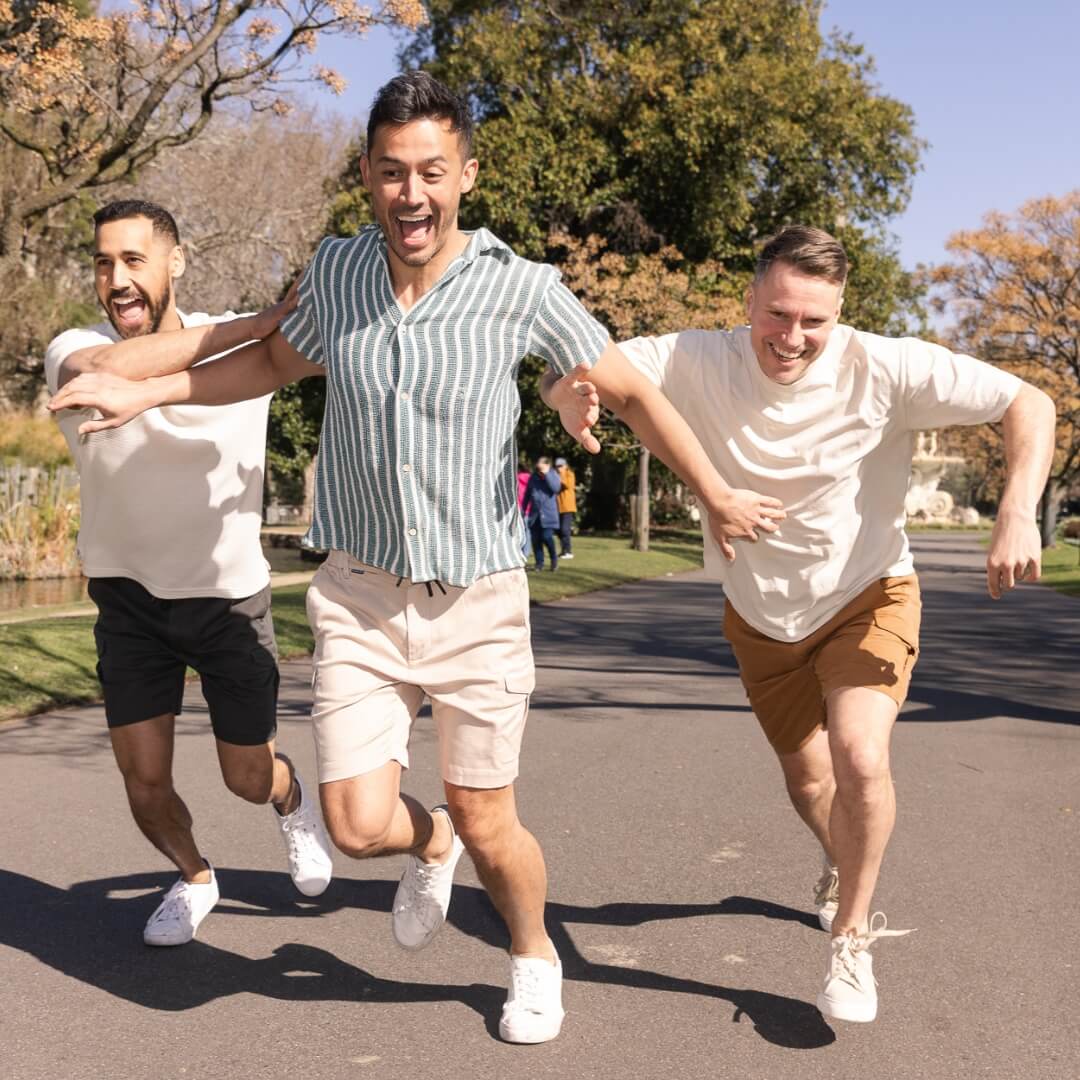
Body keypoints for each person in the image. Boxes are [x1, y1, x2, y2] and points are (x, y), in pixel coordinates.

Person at [49, 73, 783, 1042]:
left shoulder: (521, 290)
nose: (412, 194)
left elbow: (633, 391)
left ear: (465, 175)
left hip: (475, 599)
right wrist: (154, 393)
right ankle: (424, 840)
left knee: (493, 822)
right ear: (367, 176)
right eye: (392, 172)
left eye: (431, 171)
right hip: (358, 592)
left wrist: (714, 490)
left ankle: (533, 955)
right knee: (356, 827)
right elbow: (270, 361)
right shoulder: (341, 274)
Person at [605, 224, 1056, 1024]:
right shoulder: (696, 357)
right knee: (811, 781)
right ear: (750, 298)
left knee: (858, 755)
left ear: (840, 311)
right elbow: (589, 363)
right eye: (778, 314)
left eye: (814, 320)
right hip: (759, 614)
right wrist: (569, 389)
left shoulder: (885, 364)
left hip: (869, 592)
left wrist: (1017, 509)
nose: (793, 337)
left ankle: (851, 938)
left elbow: (1030, 400)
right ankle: (837, 853)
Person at [43, 199, 333, 948]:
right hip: (129, 602)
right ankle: (196, 875)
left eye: (134, 260)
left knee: (247, 777)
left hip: (228, 603)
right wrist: (262, 320)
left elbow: (321, 345)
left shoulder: (245, 351)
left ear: (175, 262)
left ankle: (291, 798)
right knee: (143, 782)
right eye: (104, 263)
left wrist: (278, 322)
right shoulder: (73, 347)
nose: (117, 279)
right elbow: (107, 368)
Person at [522, 456, 562, 571]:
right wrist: (523, 510)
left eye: (542, 465)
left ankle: (554, 560)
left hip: (548, 514)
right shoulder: (533, 477)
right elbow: (527, 495)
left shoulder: (553, 475)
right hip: (535, 515)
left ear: (547, 465)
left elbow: (556, 488)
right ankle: (539, 563)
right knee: (536, 540)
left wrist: (547, 474)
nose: (539, 467)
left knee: (547, 537)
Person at [555, 457, 577, 559]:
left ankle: (568, 551)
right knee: (558, 530)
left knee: (565, 530)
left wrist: (562, 474)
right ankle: (563, 550)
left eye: (561, 466)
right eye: (557, 466)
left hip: (568, 507)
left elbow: (567, 485)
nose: (559, 468)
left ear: (566, 466)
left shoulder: (569, 474)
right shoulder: (557, 476)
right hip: (559, 507)